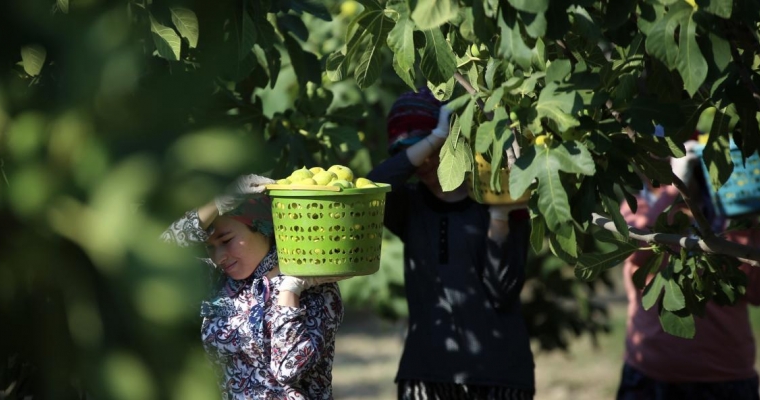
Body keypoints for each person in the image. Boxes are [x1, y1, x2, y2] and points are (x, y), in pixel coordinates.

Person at [368, 88, 535, 399]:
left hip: (499, 378)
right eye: (413, 152)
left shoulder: (502, 200)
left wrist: (499, 218)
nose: (425, 162)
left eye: (434, 148)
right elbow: (369, 188)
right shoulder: (409, 206)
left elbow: (503, 291)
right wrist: (434, 137)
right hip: (426, 375)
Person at [161, 175, 346, 399]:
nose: (219, 257)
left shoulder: (311, 284)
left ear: (262, 227)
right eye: (210, 247)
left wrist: (290, 291)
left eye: (227, 240)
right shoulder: (218, 280)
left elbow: (289, 369)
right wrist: (217, 204)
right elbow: (159, 251)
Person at [616, 137, 760, 400]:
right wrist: (674, 187)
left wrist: (748, 220)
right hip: (652, 372)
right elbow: (636, 252)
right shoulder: (639, 206)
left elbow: (759, 293)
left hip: (726, 374)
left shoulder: (729, 217)